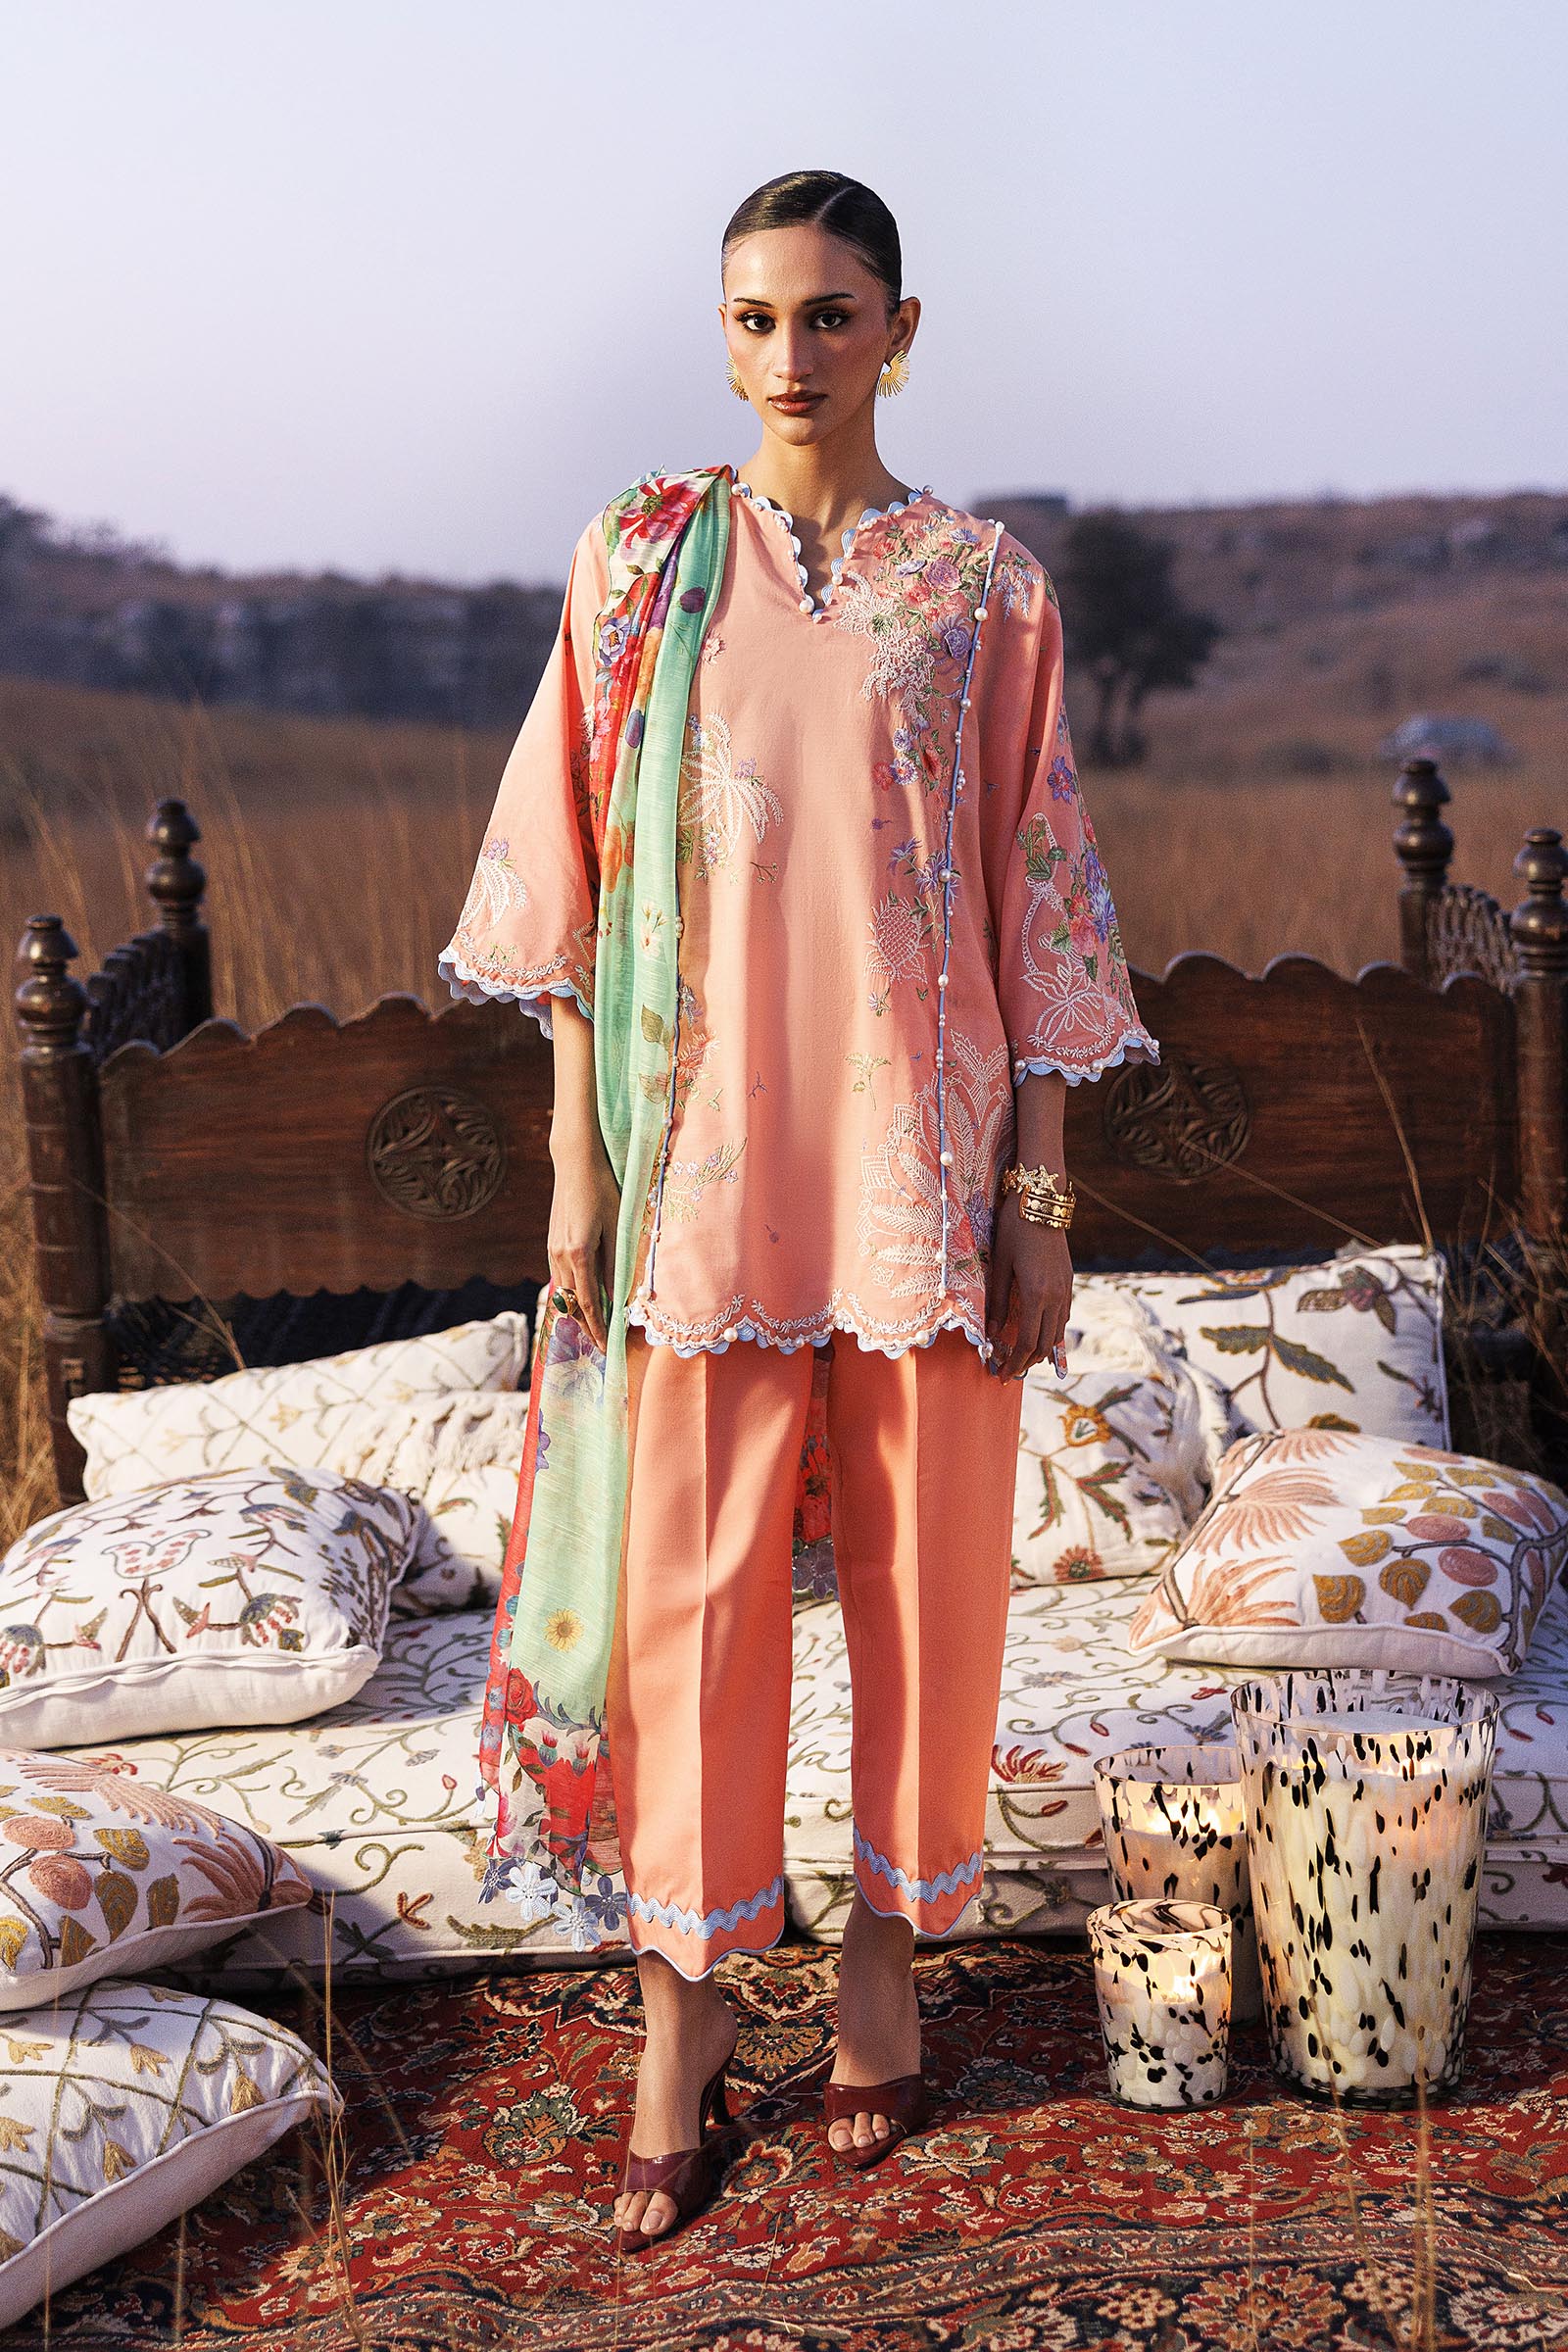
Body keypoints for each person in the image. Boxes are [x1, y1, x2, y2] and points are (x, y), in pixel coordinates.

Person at [438, 169, 1157, 2252]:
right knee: (694, 1597)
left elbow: (1036, 896)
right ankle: (681, 2014)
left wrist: (1039, 1195)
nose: (789, 357)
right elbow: (569, 874)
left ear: (899, 333)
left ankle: (880, 1972)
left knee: (932, 1589)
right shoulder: (638, 563)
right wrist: (573, 1163)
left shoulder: (981, 588)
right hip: (699, 1168)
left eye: (830, 317)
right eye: (754, 319)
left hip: (925, 1167)